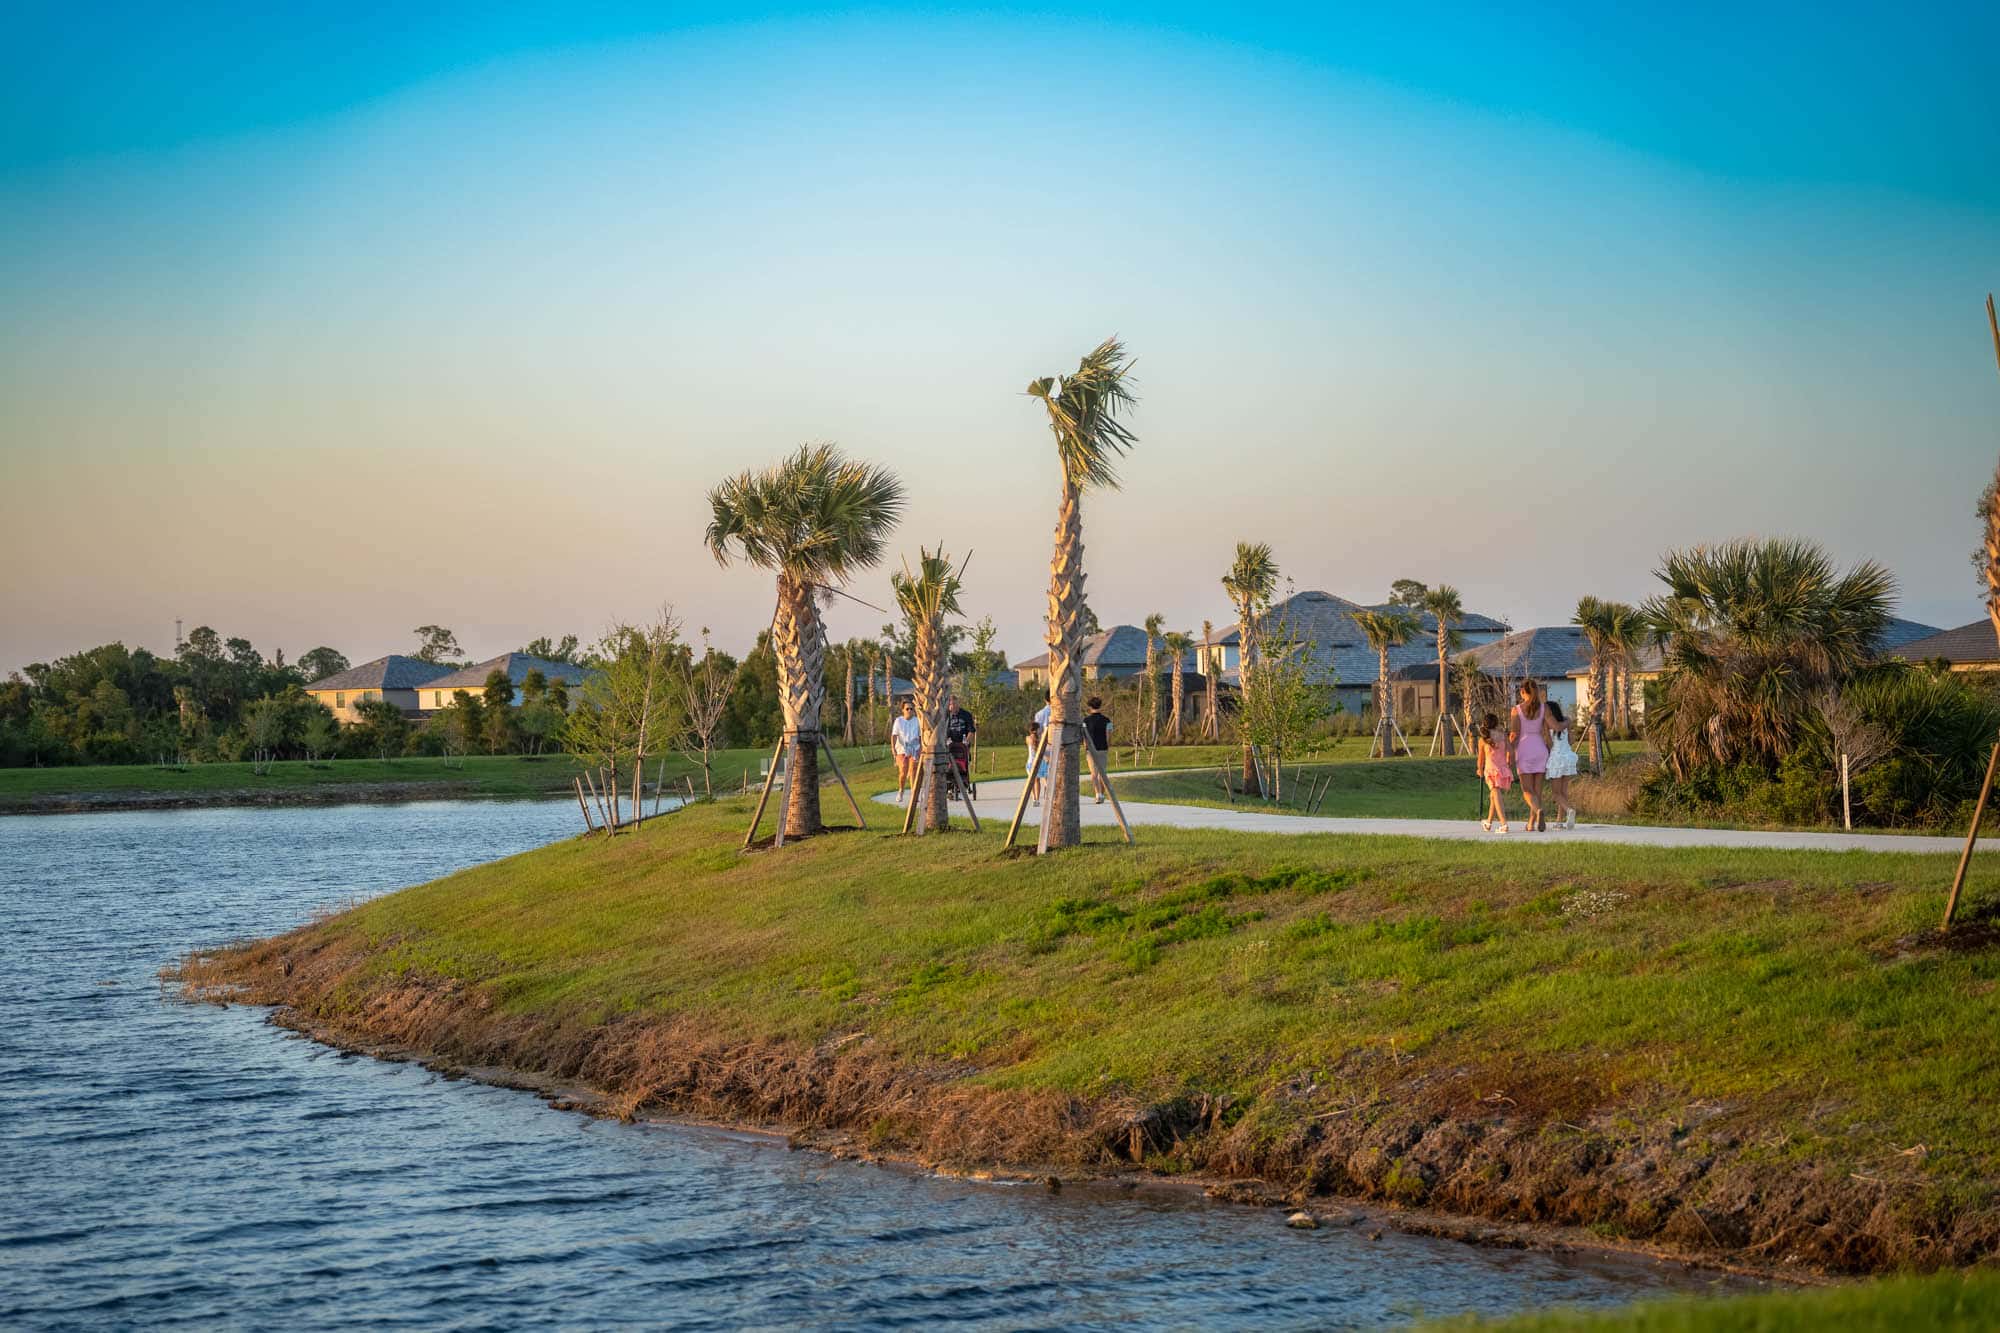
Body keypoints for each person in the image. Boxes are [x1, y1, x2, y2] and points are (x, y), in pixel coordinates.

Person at [1507, 681, 1551, 832]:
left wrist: (1509, 752)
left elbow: (1514, 734)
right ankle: (1531, 824)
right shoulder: (1544, 708)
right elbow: (1547, 732)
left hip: (1524, 750)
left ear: (1522, 691)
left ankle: (1538, 811)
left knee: (1527, 790)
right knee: (1537, 791)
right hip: (1540, 749)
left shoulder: (1517, 710)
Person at [1545, 699, 1580, 829]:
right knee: (1563, 792)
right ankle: (1559, 821)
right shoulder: (1565, 724)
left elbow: (1549, 744)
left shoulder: (1548, 726)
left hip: (1556, 759)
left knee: (1555, 794)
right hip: (1568, 757)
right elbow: (1571, 741)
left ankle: (1569, 809)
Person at [1477, 711, 1512, 833]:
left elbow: (1480, 758)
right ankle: (1488, 822)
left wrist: (1479, 769)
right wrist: (1508, 761)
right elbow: (1510, 751)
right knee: (1494, 796)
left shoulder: (1483, 739)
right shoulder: (1502, 735)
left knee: (1495, 793)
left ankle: (1503, 824)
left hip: (1491, 770)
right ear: (1496, 723)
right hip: (1503, 769)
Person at [890, 698, 923, 804]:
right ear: (903, 710)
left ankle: (914, 794)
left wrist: (921, 748)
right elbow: (894, 735)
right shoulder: (898, 721)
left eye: (911, 709)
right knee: (903, 771)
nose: (909, 711)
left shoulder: (917, 721)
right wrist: (893, 750)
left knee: (913, 770)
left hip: (914, 749)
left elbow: (920, 736)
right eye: (907, 709)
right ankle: (901, 790)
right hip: (902, 750)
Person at [1081, 695, 1113, 803]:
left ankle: (1098, 794)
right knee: (1102, 773)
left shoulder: (1085, 721)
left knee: (1093, 773)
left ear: (1090, 707)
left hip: (1091, 750)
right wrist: (1108, 745)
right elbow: (1108, 735)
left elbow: (1084, 736)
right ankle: (1102, 794)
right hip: (1103, 748)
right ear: (1100, 706)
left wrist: (1085, 746)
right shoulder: (1107, 720)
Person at [944, 692, 976, 793]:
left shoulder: (966, 715)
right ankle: (949, 786)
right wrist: (946, 740)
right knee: (948, 764)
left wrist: (966, 741)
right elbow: (942, 731)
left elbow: (971, 731)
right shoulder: (946, 716)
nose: (952, 706)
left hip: (963, 744)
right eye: (950, 705)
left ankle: (964, 783)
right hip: (950, 745)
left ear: (958, 704)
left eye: (954, 704)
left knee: (963, 762)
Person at [1023, 721, 1048, 804]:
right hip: (1036, 762)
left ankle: (1035, 799)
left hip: (1031, 762)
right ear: (1036, 729)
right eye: (1039, 729)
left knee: (1033, 781)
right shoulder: (1035, 739)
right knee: (1037, 781)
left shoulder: (1028, 738)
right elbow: (1037, 749)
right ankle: (1036, 799)